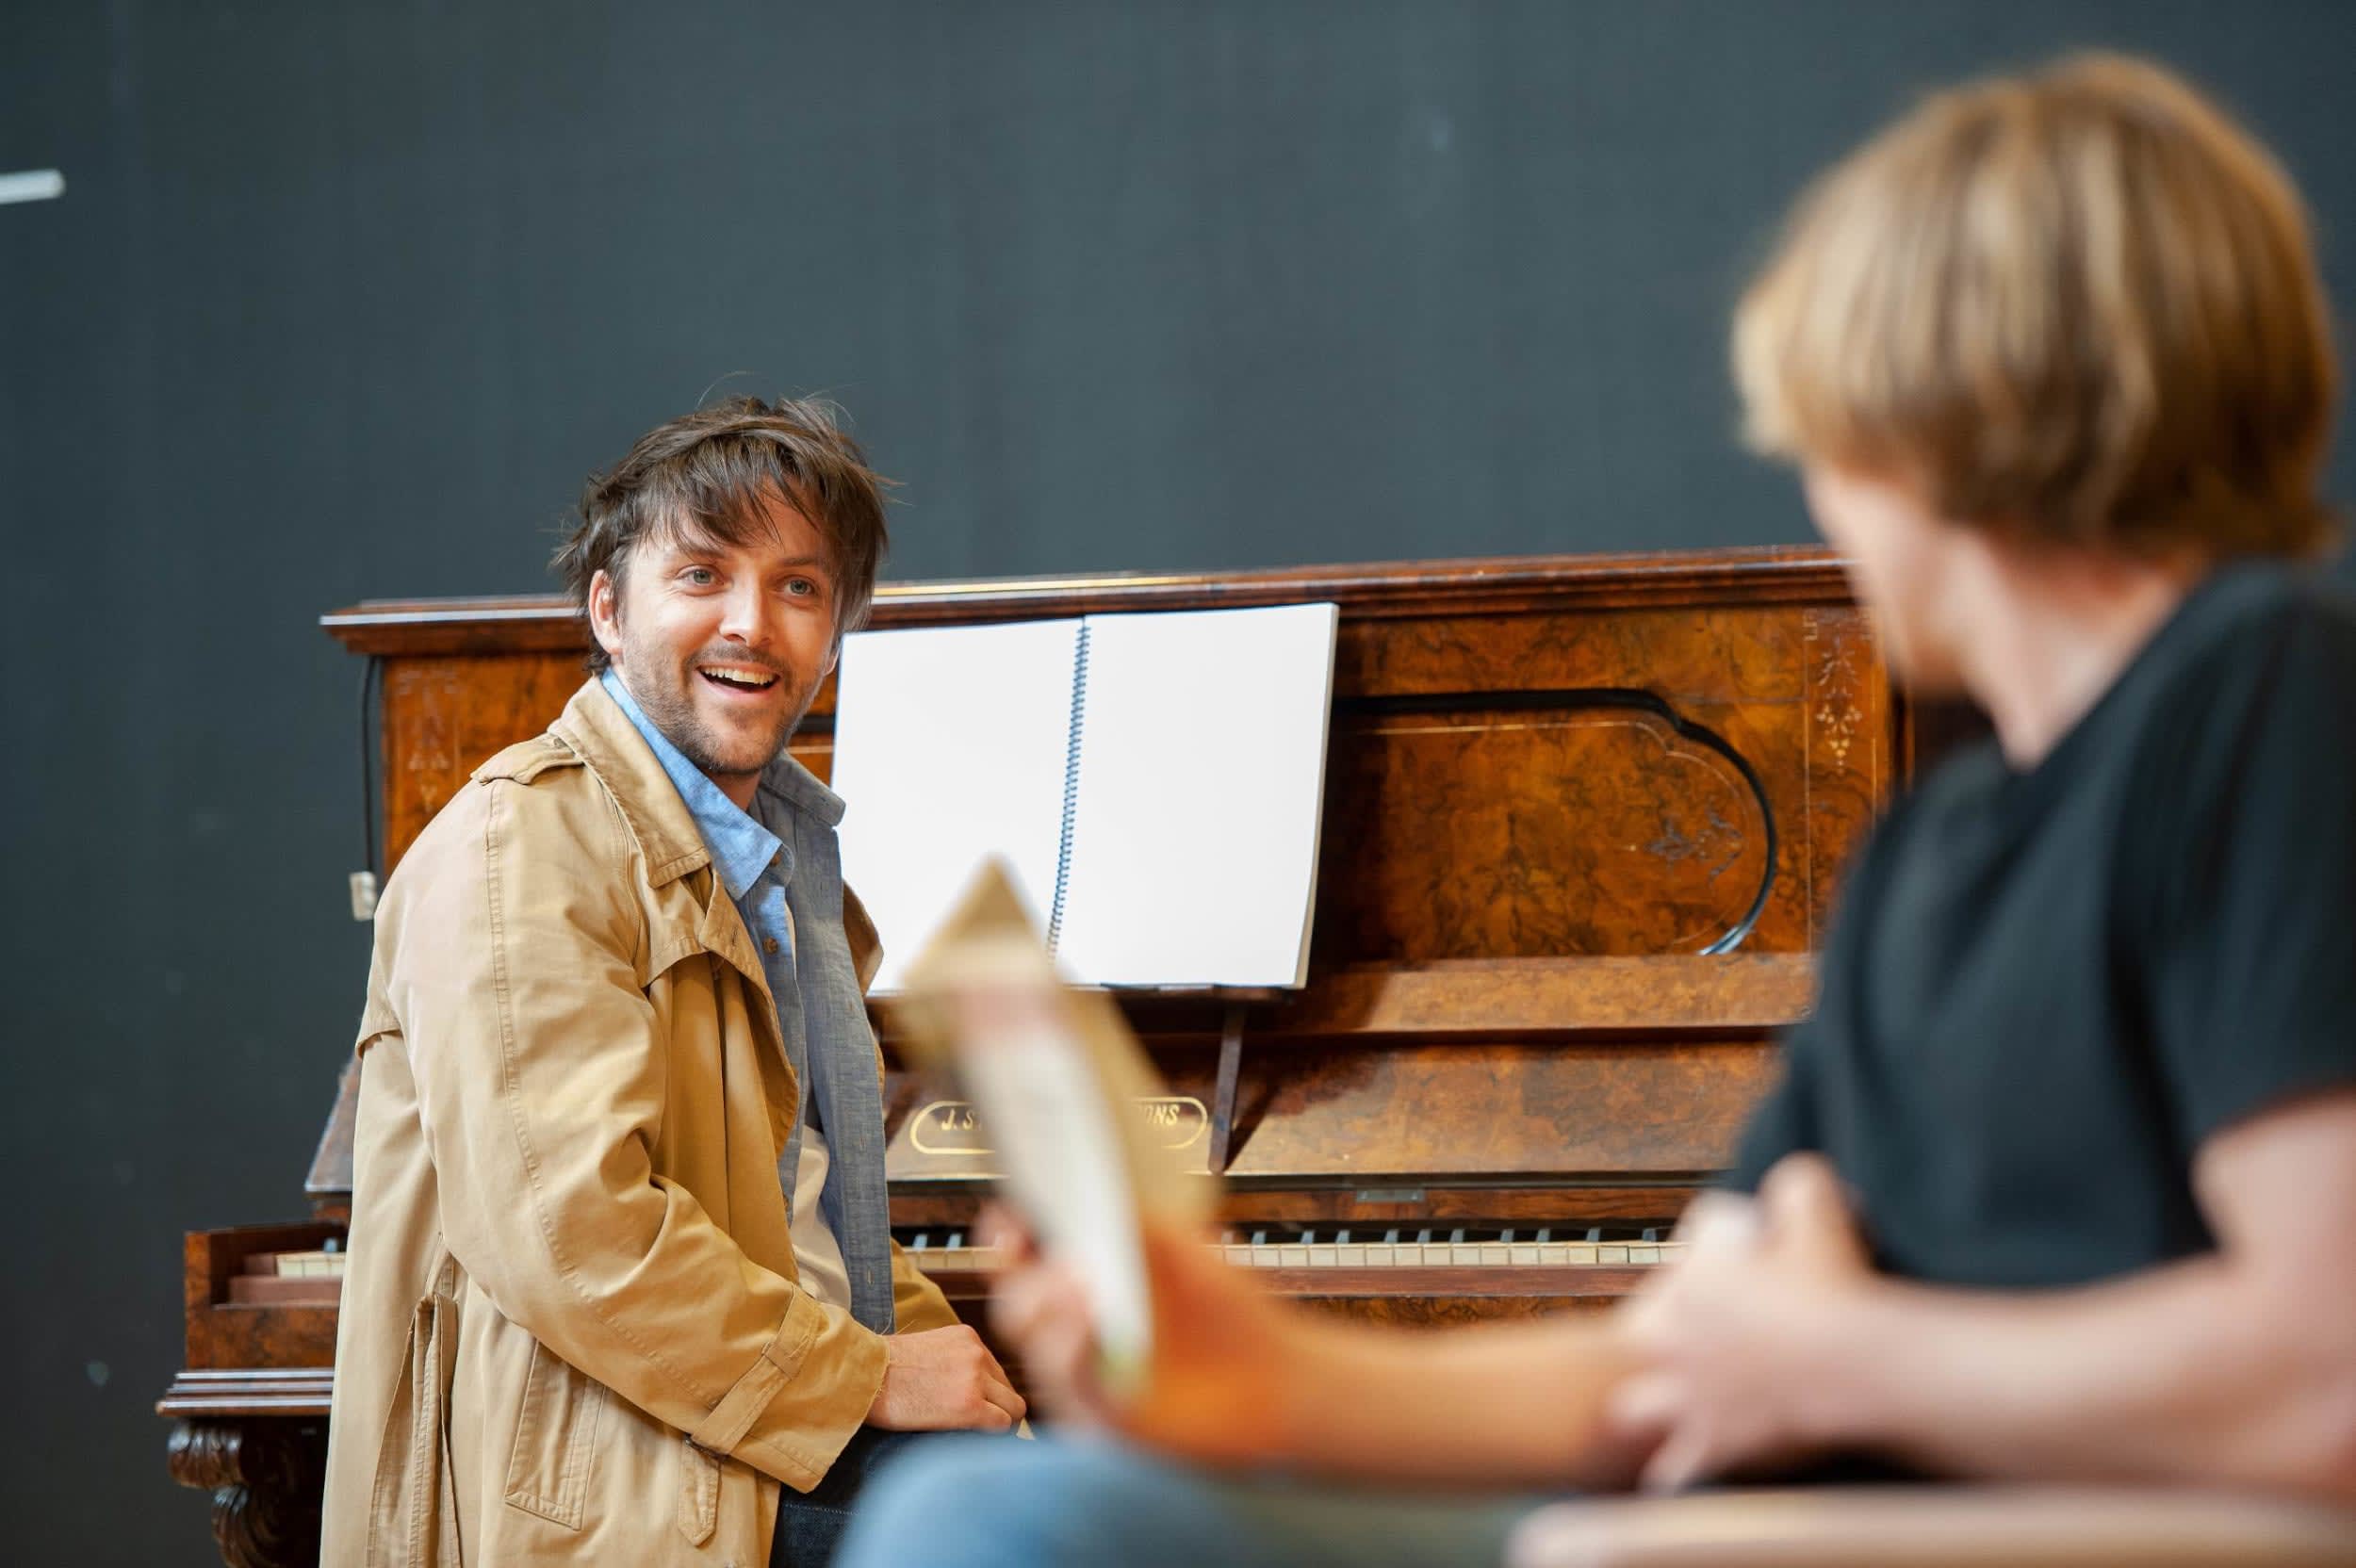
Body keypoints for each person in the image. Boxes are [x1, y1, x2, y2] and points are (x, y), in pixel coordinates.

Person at [836, 52, 2356, 1568]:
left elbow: (2326, 1372)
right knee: (978, 1509)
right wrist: (1256, 1366)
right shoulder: (1933, 854)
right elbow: (1679, 1360)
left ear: (1949, 413)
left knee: (1002, 1523)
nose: (1820, 491)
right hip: (1740, 1515)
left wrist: (1847, 1352)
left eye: (1826, 434)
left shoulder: (2259, 695)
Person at [320, 397, 1023, 1567]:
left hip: (740, 1421)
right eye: (702, 573)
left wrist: (968, 1376)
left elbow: (805, 1216)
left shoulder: (789, 865)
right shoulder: (522, 845)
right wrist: (873, 1375)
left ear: (836, 629)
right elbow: (571, 1235)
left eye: (800, 588)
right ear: (609, 607)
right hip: (613, 1472)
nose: (752, 624)